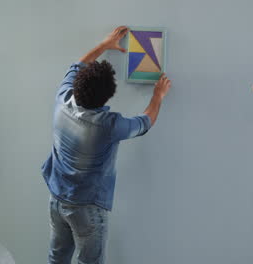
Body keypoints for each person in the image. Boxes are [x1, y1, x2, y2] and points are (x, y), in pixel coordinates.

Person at [41, 26, 171, 264]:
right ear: (107, 96)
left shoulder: (62, 99)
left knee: (56, 259)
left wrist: (103, 44)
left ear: (77, 86)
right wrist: (158, 96)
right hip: (87, 209)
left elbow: (76, 66)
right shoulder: (109, 126)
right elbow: (145, 122)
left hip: (56, 199)